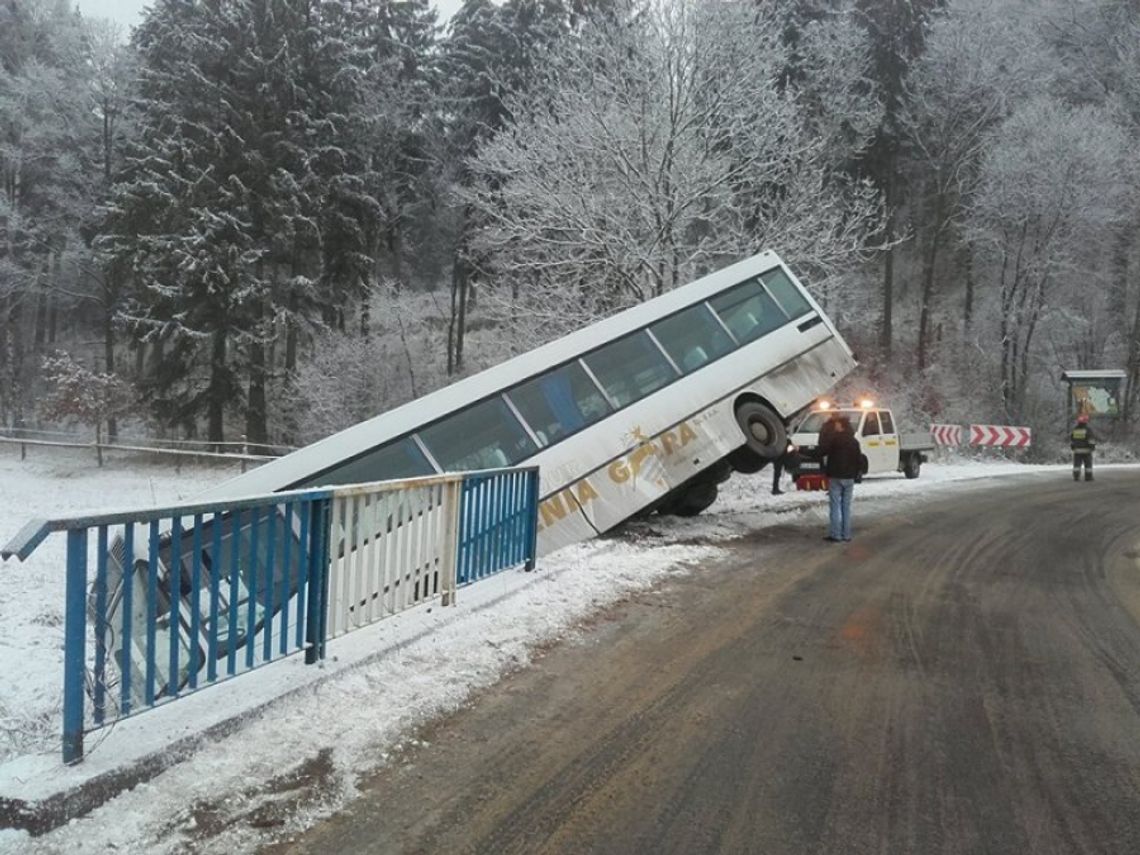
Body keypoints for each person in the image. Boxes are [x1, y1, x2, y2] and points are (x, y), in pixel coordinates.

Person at [820, 414, 862, 542]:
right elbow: (858, 460)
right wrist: (856, 474)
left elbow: (821, 451)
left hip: (836, 477)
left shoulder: (834, 440)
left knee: (835, 507)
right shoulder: (855, 442)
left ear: (841, 426)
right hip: (849, 478)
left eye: (837, 424)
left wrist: (800, 451)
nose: (835, 426)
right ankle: (846, 535)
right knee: (846, 507)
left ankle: (836, 535)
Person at [1070, 413, 1096, 482]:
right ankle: (1088, 477)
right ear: (1086, 421)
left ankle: (1076, 476)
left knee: (1076, 465)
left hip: (1077, 451)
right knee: (1088, 465)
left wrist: (1073, 447)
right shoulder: (1088, 429)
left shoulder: (1075, 429)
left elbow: (1072, 439)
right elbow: (1091, 439)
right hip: (1086, 451)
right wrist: (1092, 447)